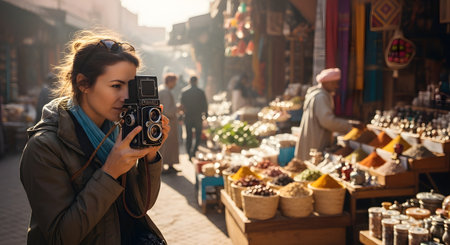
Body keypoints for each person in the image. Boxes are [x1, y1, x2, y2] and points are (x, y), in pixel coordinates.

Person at [20, 30, 169, 244]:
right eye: (116, 86)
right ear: (83, 84)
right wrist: (110, 172)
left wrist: (150, 156)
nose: (127, 97)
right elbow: (61, 237)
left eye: (130, 85)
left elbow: (141, 206)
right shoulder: (43, 148)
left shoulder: (118, 130)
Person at [294, 68, 353, 161]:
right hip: (316, 140)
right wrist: (349, 126)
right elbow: (327, 121)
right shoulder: (321, 96)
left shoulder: (317, 94)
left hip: (312, 137)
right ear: (326, 82)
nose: (337, 86)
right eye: (334, 83)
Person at [180, 76, 208, 160]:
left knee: (188, 136)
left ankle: (189, 153)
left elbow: (182, 106)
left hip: (188, 117)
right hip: (197, 117)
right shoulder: (200, 92)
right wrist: (205, 114)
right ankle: (194, 151)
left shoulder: (184, 92)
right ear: (196, 81)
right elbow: (205, 105)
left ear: (189, 81)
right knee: (198, 136)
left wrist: (181, 116)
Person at [158, 73, 180, 172]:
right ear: (170, 82)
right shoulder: (165, 92)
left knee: (167, 145)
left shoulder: (162, 89)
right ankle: (164, 166)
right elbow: (168, 110)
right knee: (167, 145)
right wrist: (178, 108)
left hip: (166, 121)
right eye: (174, 82)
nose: (175, 85)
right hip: (168, 122)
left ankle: (168, 165)